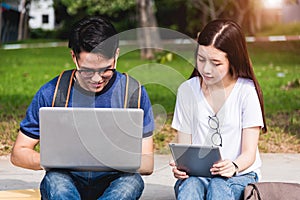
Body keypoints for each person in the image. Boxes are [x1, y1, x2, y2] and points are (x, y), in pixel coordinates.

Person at [10, 16, 155, 200]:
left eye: (106, 69)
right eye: (87, 70)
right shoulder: (53, 93)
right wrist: (56, 161)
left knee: (131, 183)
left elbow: (148, 163)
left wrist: (108, 160)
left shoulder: (133, 94)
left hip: (114, 179)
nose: (97, 79)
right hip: (66, 177)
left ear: (116, 55)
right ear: (74, 58)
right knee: (56, 183)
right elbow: (19, 153)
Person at [170, 19, 267, 200]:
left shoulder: (246, 91)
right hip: (198, 175)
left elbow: (249, 154)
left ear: (232, 60)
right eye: (201, 59)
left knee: (219, 186)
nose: (206, 69)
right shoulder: (187, 90)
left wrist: (234, 166)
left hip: (240, 174)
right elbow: (185, 147)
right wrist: (181, 167)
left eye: (216, 63)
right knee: (190, 187)